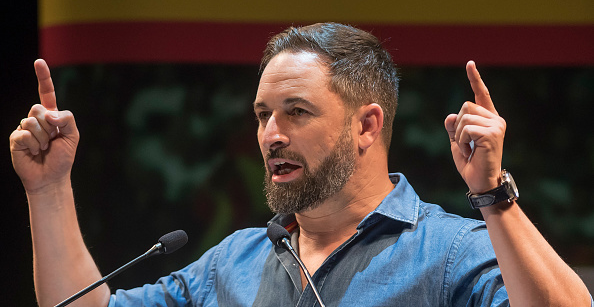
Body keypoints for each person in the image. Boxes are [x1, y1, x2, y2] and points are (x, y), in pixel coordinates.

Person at [10, 23, 593, 307]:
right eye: (263, 114)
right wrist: (49, 188)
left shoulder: (447, 252)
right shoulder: (232, 264)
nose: (270, 135)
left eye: (296, 112)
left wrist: (493, 193)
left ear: (366, 126)